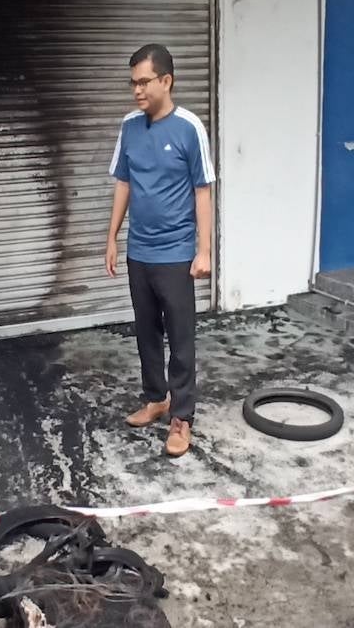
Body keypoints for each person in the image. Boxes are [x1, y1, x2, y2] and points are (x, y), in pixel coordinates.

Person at [105, 44, 215, 458]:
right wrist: (112, 237)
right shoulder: (130, 126)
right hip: (140, 251)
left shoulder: (189, 128)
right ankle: (156, 398)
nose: (137, 91)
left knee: (181, 337)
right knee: (145, 330)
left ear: (166, 81)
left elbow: (203, 191)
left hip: (176, 252)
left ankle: (182, 417)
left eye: (144, 82)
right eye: (132, 83)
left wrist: (203, 252)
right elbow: (124, 183)